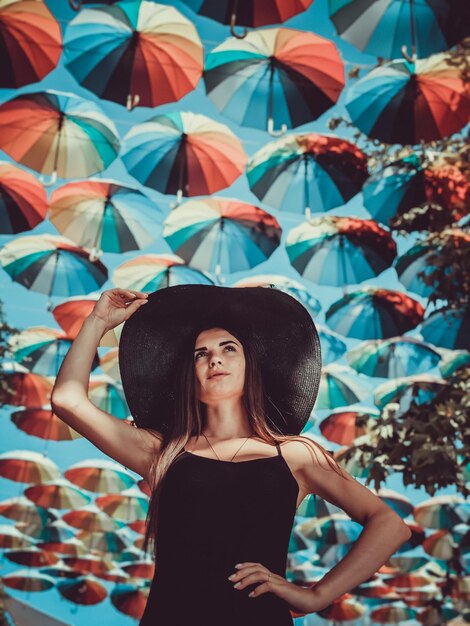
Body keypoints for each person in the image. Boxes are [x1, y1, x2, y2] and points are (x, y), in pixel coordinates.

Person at [51, 284, 412, 626]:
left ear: (248, 366)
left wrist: (317, 595)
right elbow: (67, 401)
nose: (214, 359)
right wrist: (98, 321)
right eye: (201, 354)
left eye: (228, 349)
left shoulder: (295, 454)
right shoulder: (163, 451)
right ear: (190, 375)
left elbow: (389, 525)